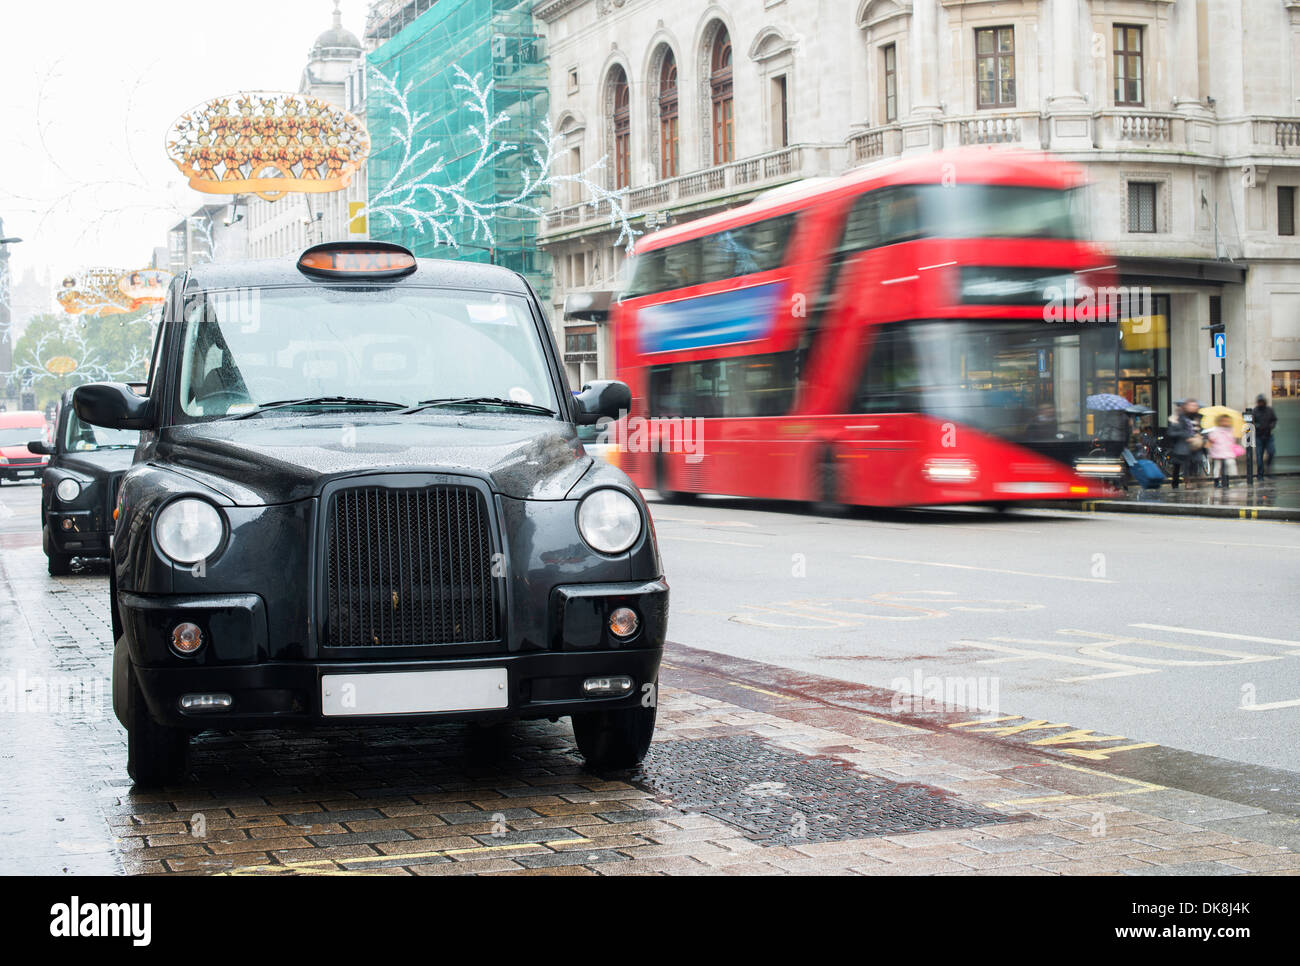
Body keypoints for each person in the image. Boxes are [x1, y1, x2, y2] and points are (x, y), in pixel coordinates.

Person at [1166, 398, 1201, 488]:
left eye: (1195, 405)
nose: (1194, 407)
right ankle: (1180, 483)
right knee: (1179, 466)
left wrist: (1200, 436)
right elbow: (1171, 432)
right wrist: (1185, 435)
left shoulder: (1198, 417)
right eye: (1191, 405)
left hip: (1194, 446)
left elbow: (1199, 429)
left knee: (1194, 462)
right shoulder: (1178, 418)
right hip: (1181, 446)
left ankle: (1191, 481)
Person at [1206, 413, 1240, 488]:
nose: (1225, 423)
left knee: (1230, 463)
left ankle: (1229, 479)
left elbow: (1233, 439)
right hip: (1218, 450)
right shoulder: (1215, 430)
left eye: (1227, 421)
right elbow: (1211, 439)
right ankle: (1216, 481)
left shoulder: (1231, 430)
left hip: (1228, 450)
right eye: (1223, 421)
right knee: (1217, 466)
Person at [1252, 393, 1277, 479]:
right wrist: (1257, 426)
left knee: (1271, 452)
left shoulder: (1269, 410)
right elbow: (1251, 422)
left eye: (1262, 402)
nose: (1261, 403)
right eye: (1260, 402)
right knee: (1259, 456)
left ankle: (1268, 468)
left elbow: (1274, 419)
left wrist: (1271, 426)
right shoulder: (1255, 411)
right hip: (1259, 436)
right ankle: (1260, 474)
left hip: (1268, 435)